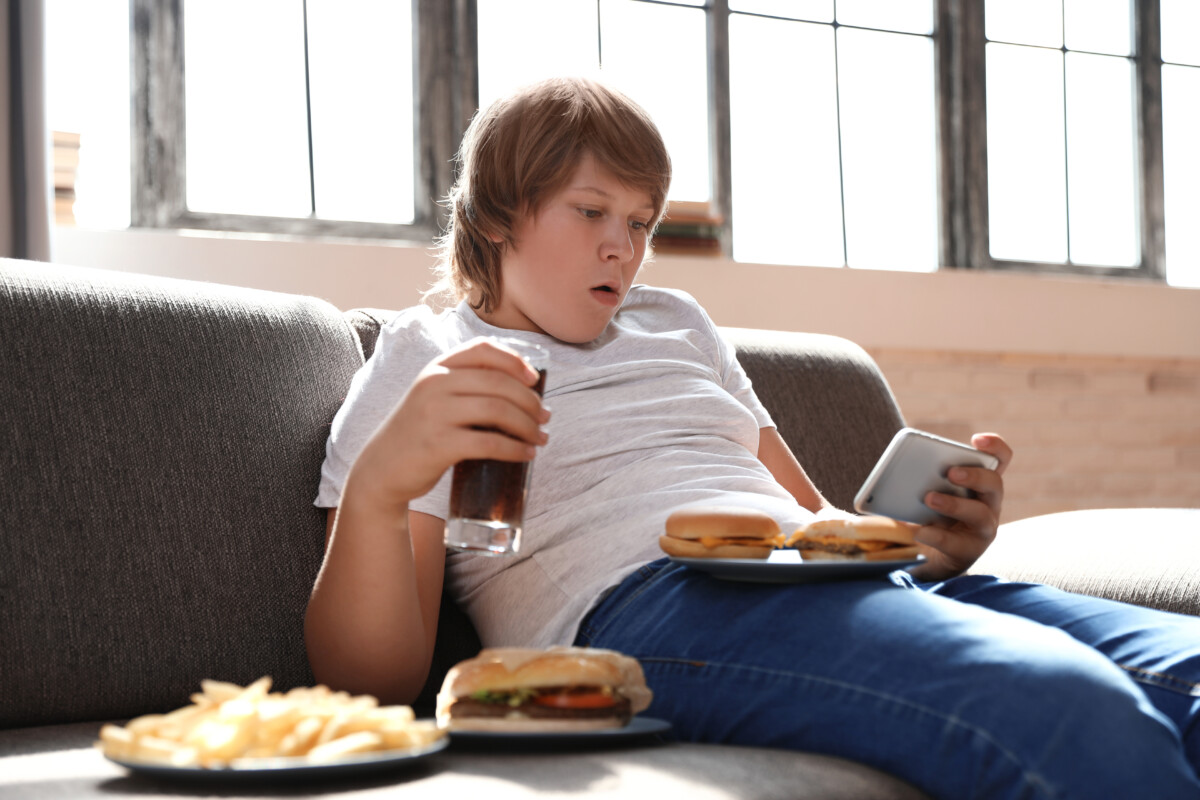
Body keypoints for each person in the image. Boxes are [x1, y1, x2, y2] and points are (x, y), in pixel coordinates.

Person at [305, 77, 1200, 798]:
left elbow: (810, 519)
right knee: (1062, 706)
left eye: (642, 222)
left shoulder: (679, 321)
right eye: (591, 212)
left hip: (817, 579)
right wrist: (384, 481)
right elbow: (374, 681)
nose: (624, 248)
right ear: (498, 213)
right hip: (650, 606)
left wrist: (927, 545)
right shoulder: (430, 358)